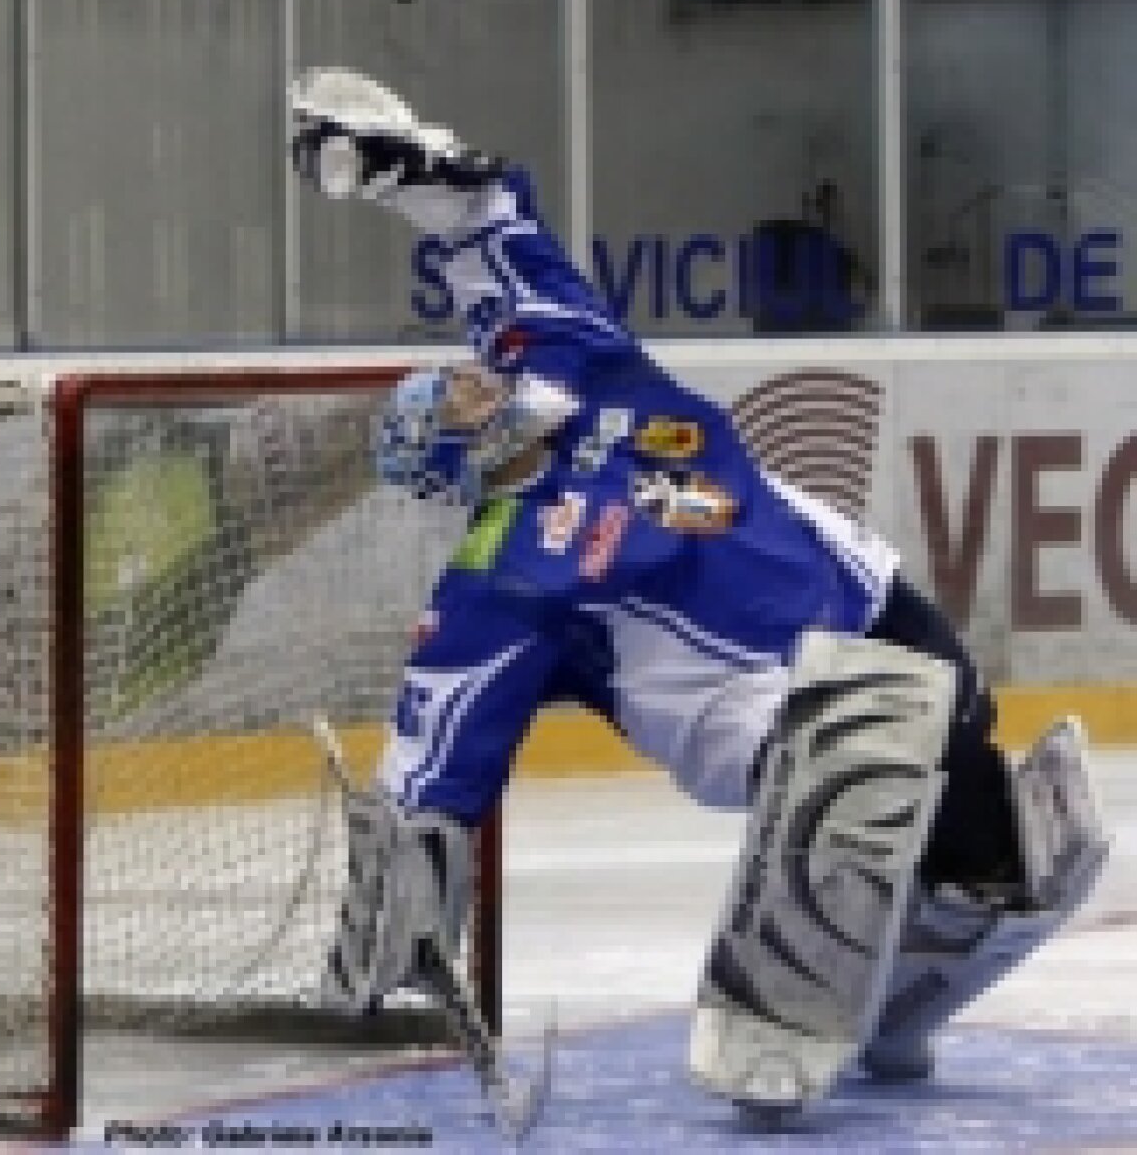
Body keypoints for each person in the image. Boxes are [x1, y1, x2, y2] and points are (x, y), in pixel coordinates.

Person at [290, 68, 1109, 1108]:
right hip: (747, 710)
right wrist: (387, 930)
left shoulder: (581, 368)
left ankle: (903, 996)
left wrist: (399, 163)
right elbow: (431, 764)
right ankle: (793, 983)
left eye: (457, 370)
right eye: (446, 399)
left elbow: (489, 233)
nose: (468, 377)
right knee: (854, 754)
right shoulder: (496, 584)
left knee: (987, 834)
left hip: (859, 596)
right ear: (453, 461)